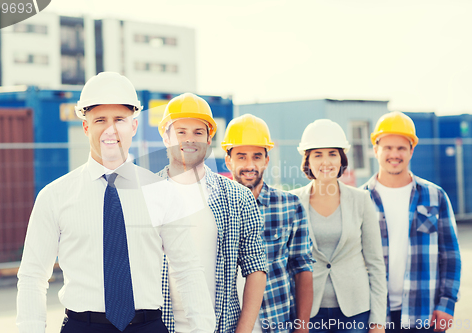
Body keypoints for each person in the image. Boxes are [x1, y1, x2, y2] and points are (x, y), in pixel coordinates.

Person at [16, 72, 215, 333]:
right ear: (86, 126)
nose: (110, 129)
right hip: (82, 326)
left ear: (133, 126)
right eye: (100, 119)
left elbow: (188, 271)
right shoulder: (54, 196)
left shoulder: (163, 193)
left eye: (119, 119)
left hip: (147, 326)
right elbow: (32, 276)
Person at [157, 93, 268, 333]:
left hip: (221, 327)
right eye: (181, 132)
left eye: (198, 132)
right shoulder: (144, 196)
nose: (189, 139)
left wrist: (243, 331)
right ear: (166, 137)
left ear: (209, 139)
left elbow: (256, 269)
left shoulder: (238, 197)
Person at [362, 111, 461, 333]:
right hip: (374, 315)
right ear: (375, 149)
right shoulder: (359, 200)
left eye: (401, 148)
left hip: (424, 313)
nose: (394, 154)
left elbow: (451, 254)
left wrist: (447, 304)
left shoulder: (435, 196)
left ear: (411, 150)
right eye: (387, 147)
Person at [290, 119, 387, 333]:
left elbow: (376, 264)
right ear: (307, 160)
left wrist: (378, 321)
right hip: (307, 314)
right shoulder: (292, 202)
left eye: (332, 153)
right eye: (318, 154)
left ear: (341, 158)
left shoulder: (361, 200)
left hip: (355, 312)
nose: (326, 162)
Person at [223, 114, 315, 333]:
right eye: (241, 156)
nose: (249, 165)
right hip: (227, 325)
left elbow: (302, 267)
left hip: (276, 321)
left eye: (256, 156)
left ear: (266, 159)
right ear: (228, 160)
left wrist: (302, 328)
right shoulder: (214, 207)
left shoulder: (290, 205)